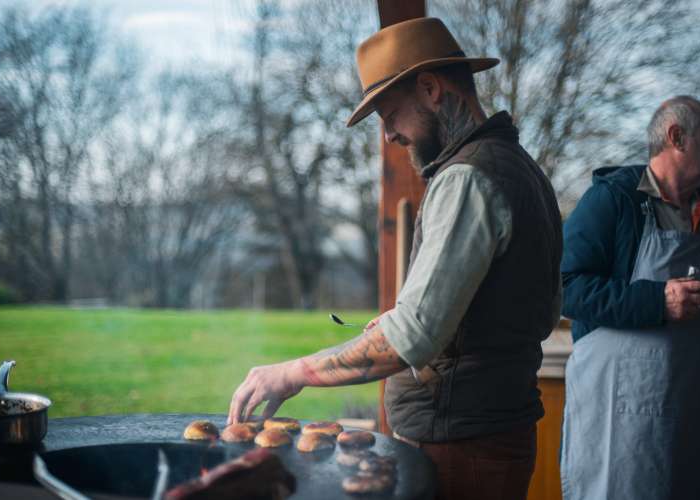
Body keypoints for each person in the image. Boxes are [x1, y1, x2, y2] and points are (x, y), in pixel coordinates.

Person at [227, 17, 563, 500]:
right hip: (490, 438)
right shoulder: (521, 167)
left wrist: (290, 372)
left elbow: (414, 337)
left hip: (460, 450)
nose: (387, 135)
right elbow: (534, 310)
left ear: (430, 89)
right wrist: (419, 321)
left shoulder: (468, 179)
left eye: (389, 114)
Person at [559, 95, 700, 500]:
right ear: (676, 136)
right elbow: (564, 287)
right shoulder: (613, 201)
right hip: (621, 426)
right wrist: (656, 302)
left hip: (697, 417)